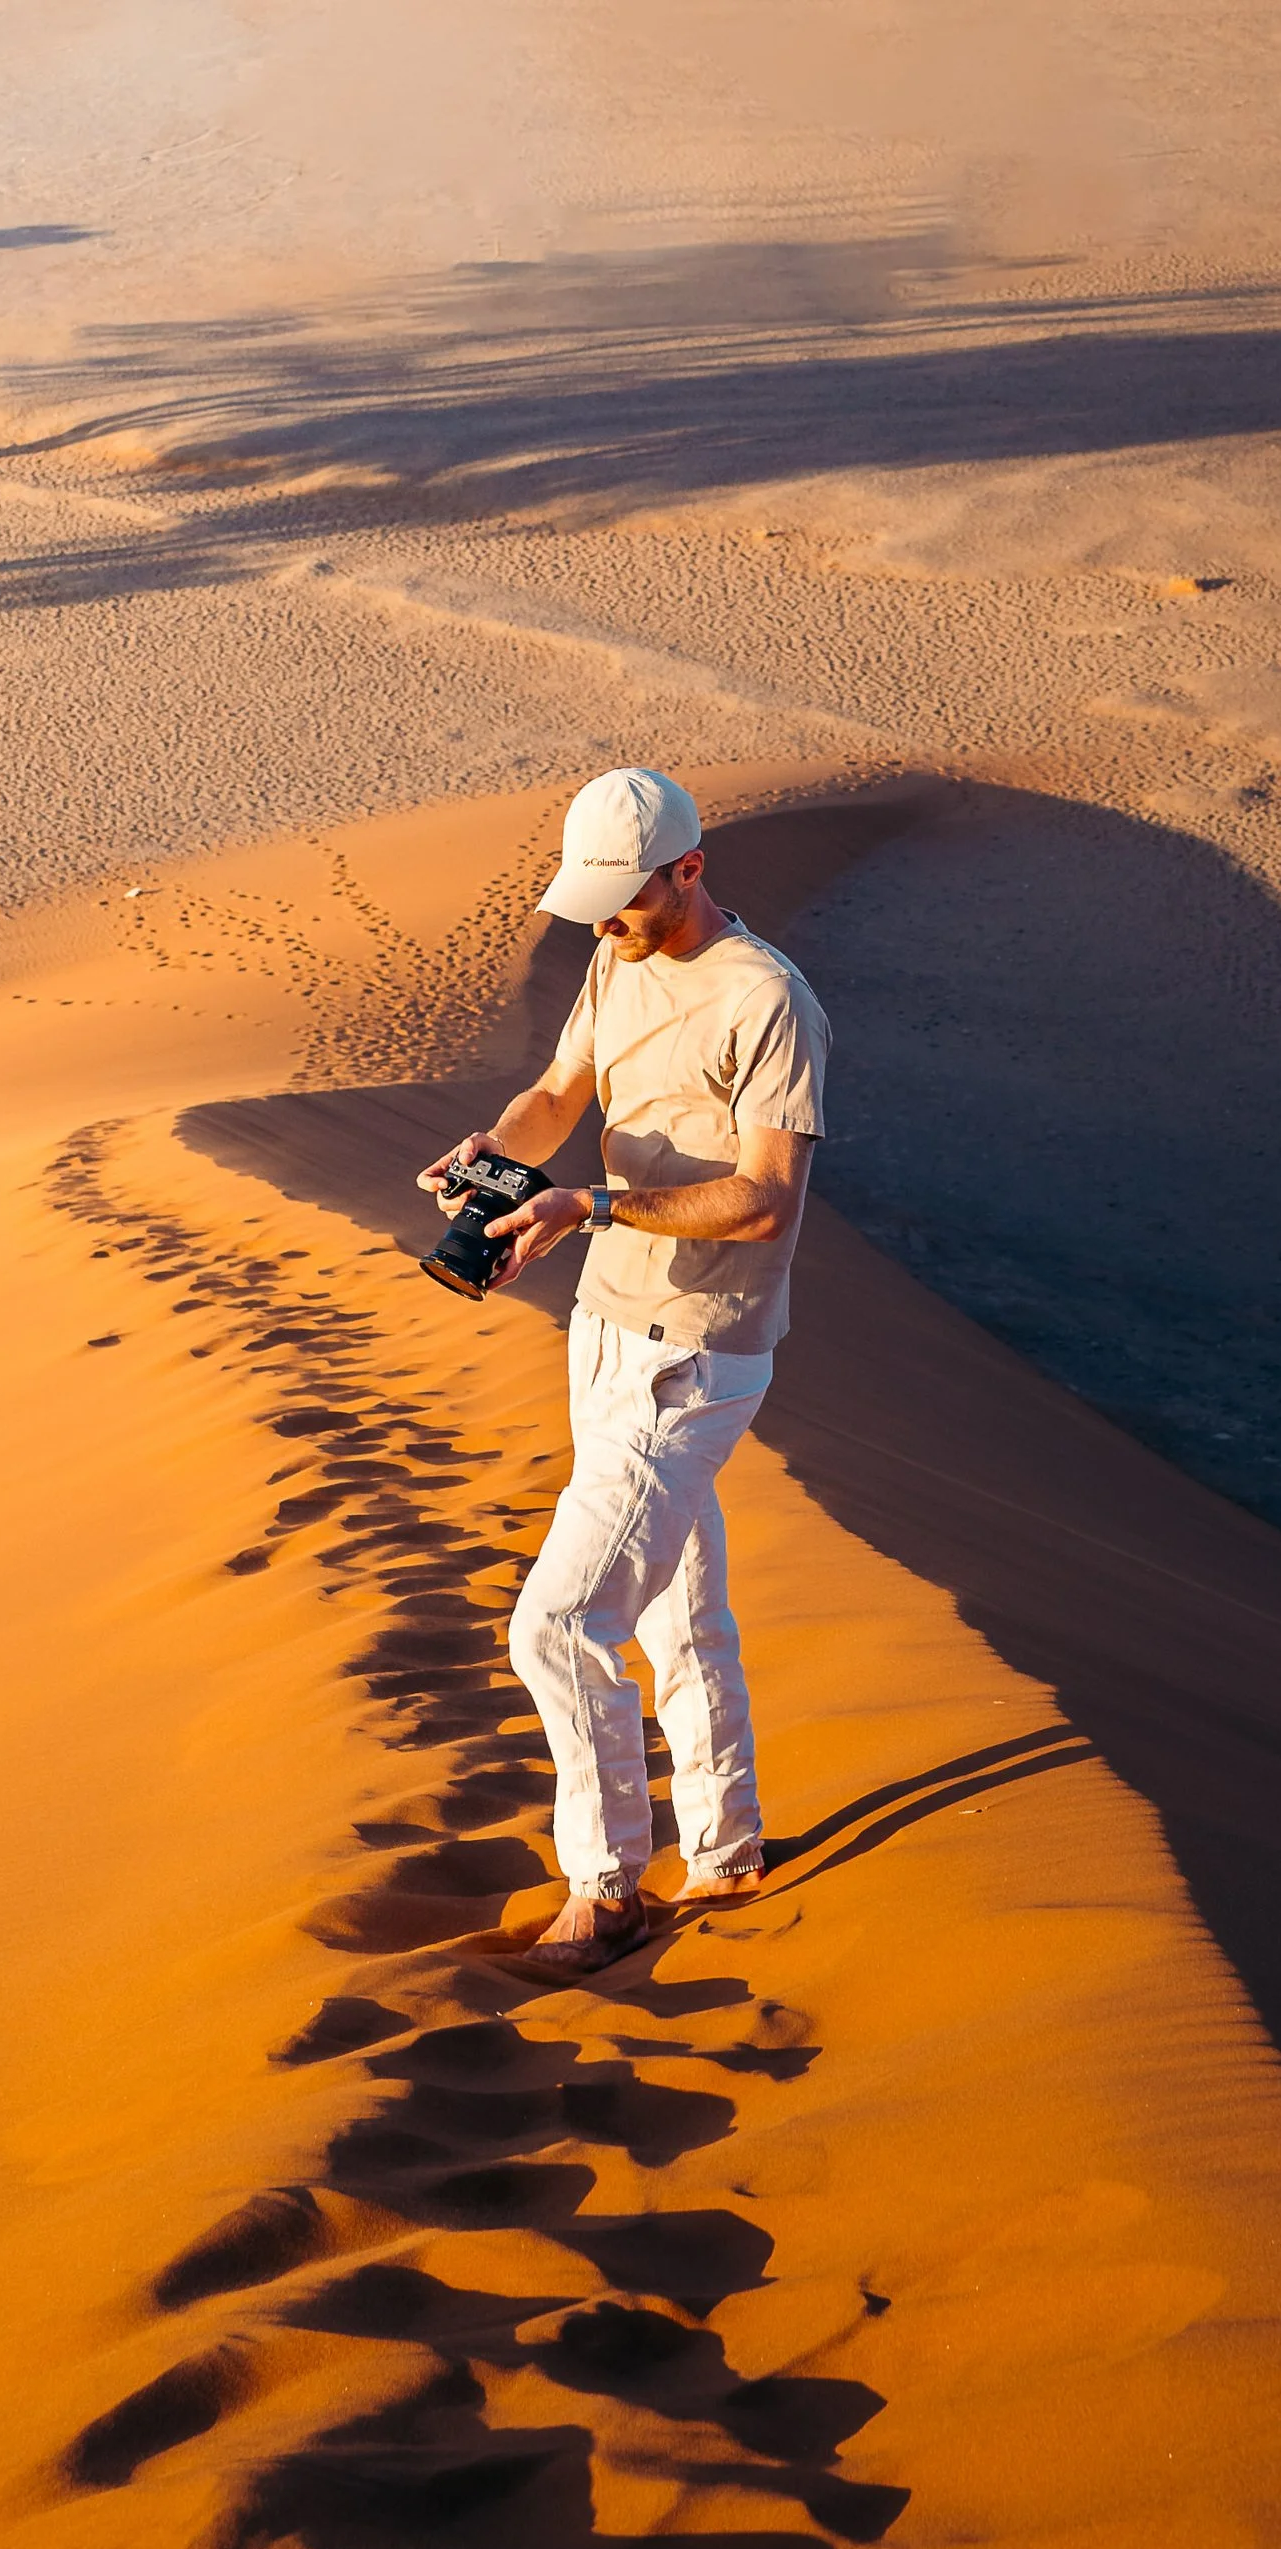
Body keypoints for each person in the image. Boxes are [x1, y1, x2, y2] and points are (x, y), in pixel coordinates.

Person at [416, 767, 831, 1979]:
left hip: (698, 1357)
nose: (603, 921)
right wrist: (495, 1154)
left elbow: (767, 1205)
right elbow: (558, 1094)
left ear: (689, 869)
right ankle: (725, 1849)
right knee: (673, 1608)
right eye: (590, 901)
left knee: (555, 1622)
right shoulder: (615, 955)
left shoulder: (769, 1003)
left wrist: (592, 1201)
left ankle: (604, 1888)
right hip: (603, 1332)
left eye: (624, 900)